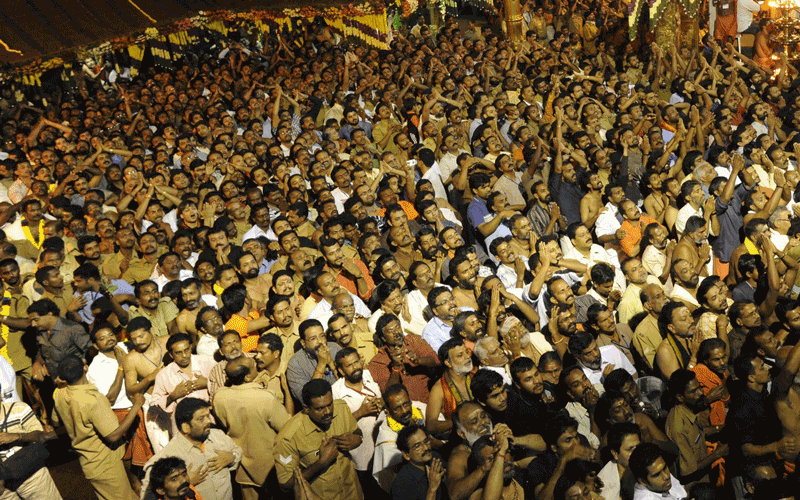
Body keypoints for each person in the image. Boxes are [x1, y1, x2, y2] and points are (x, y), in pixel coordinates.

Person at [53, 355, 145, 500]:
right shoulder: (92, 400)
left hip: (89, 463)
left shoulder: (59, 394)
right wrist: (136, 406)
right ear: (85, 368)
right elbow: (113, 435)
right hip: (105, 466)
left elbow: (55, 421)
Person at [213, 355, 290, 500]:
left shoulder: (219, 397)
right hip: (270, 466)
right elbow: (286, 427)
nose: (257, 367)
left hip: (243, 466)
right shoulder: (265, 398)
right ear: (247, 377)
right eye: (254, 367)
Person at [273, 379, 364, 500]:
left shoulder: (341, 408)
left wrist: (357, 439)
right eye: (320, 409)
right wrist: (321, 463)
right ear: (306, 408)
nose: (328, 412)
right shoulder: (288, 438)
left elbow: (356, 431)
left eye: (329, 404)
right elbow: (286, 484)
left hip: (352, 494)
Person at [141, 398, 242, 500]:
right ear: (185, 427)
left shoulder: (218, 436)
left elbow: (237, 451)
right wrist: (185, 482)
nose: (208, 421)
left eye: (208, 416)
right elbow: (148, 495)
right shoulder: (167, 456)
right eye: (201, 419)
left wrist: (232, 457)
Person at [391, 425, 446, 500]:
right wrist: (432, 488)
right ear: (406, 455)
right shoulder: (402, 485)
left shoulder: (435, 458)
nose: (426, 448)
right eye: (417, 446)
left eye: (426, 441)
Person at [598, 423, 641, 500]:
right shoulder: (607, 489)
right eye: (630, 449)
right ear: (615, 453)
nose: (637, 452)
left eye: (638, 447)